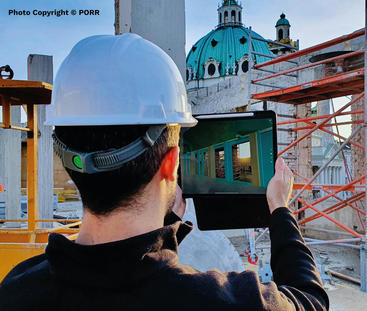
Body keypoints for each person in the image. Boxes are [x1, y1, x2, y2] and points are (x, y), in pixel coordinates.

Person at [0, 34, 329, 310]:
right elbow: (310, 298)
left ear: (66, 159)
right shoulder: (222, 301)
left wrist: (167, 223)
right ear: (171, 164)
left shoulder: (16, 288)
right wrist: (281, 210)